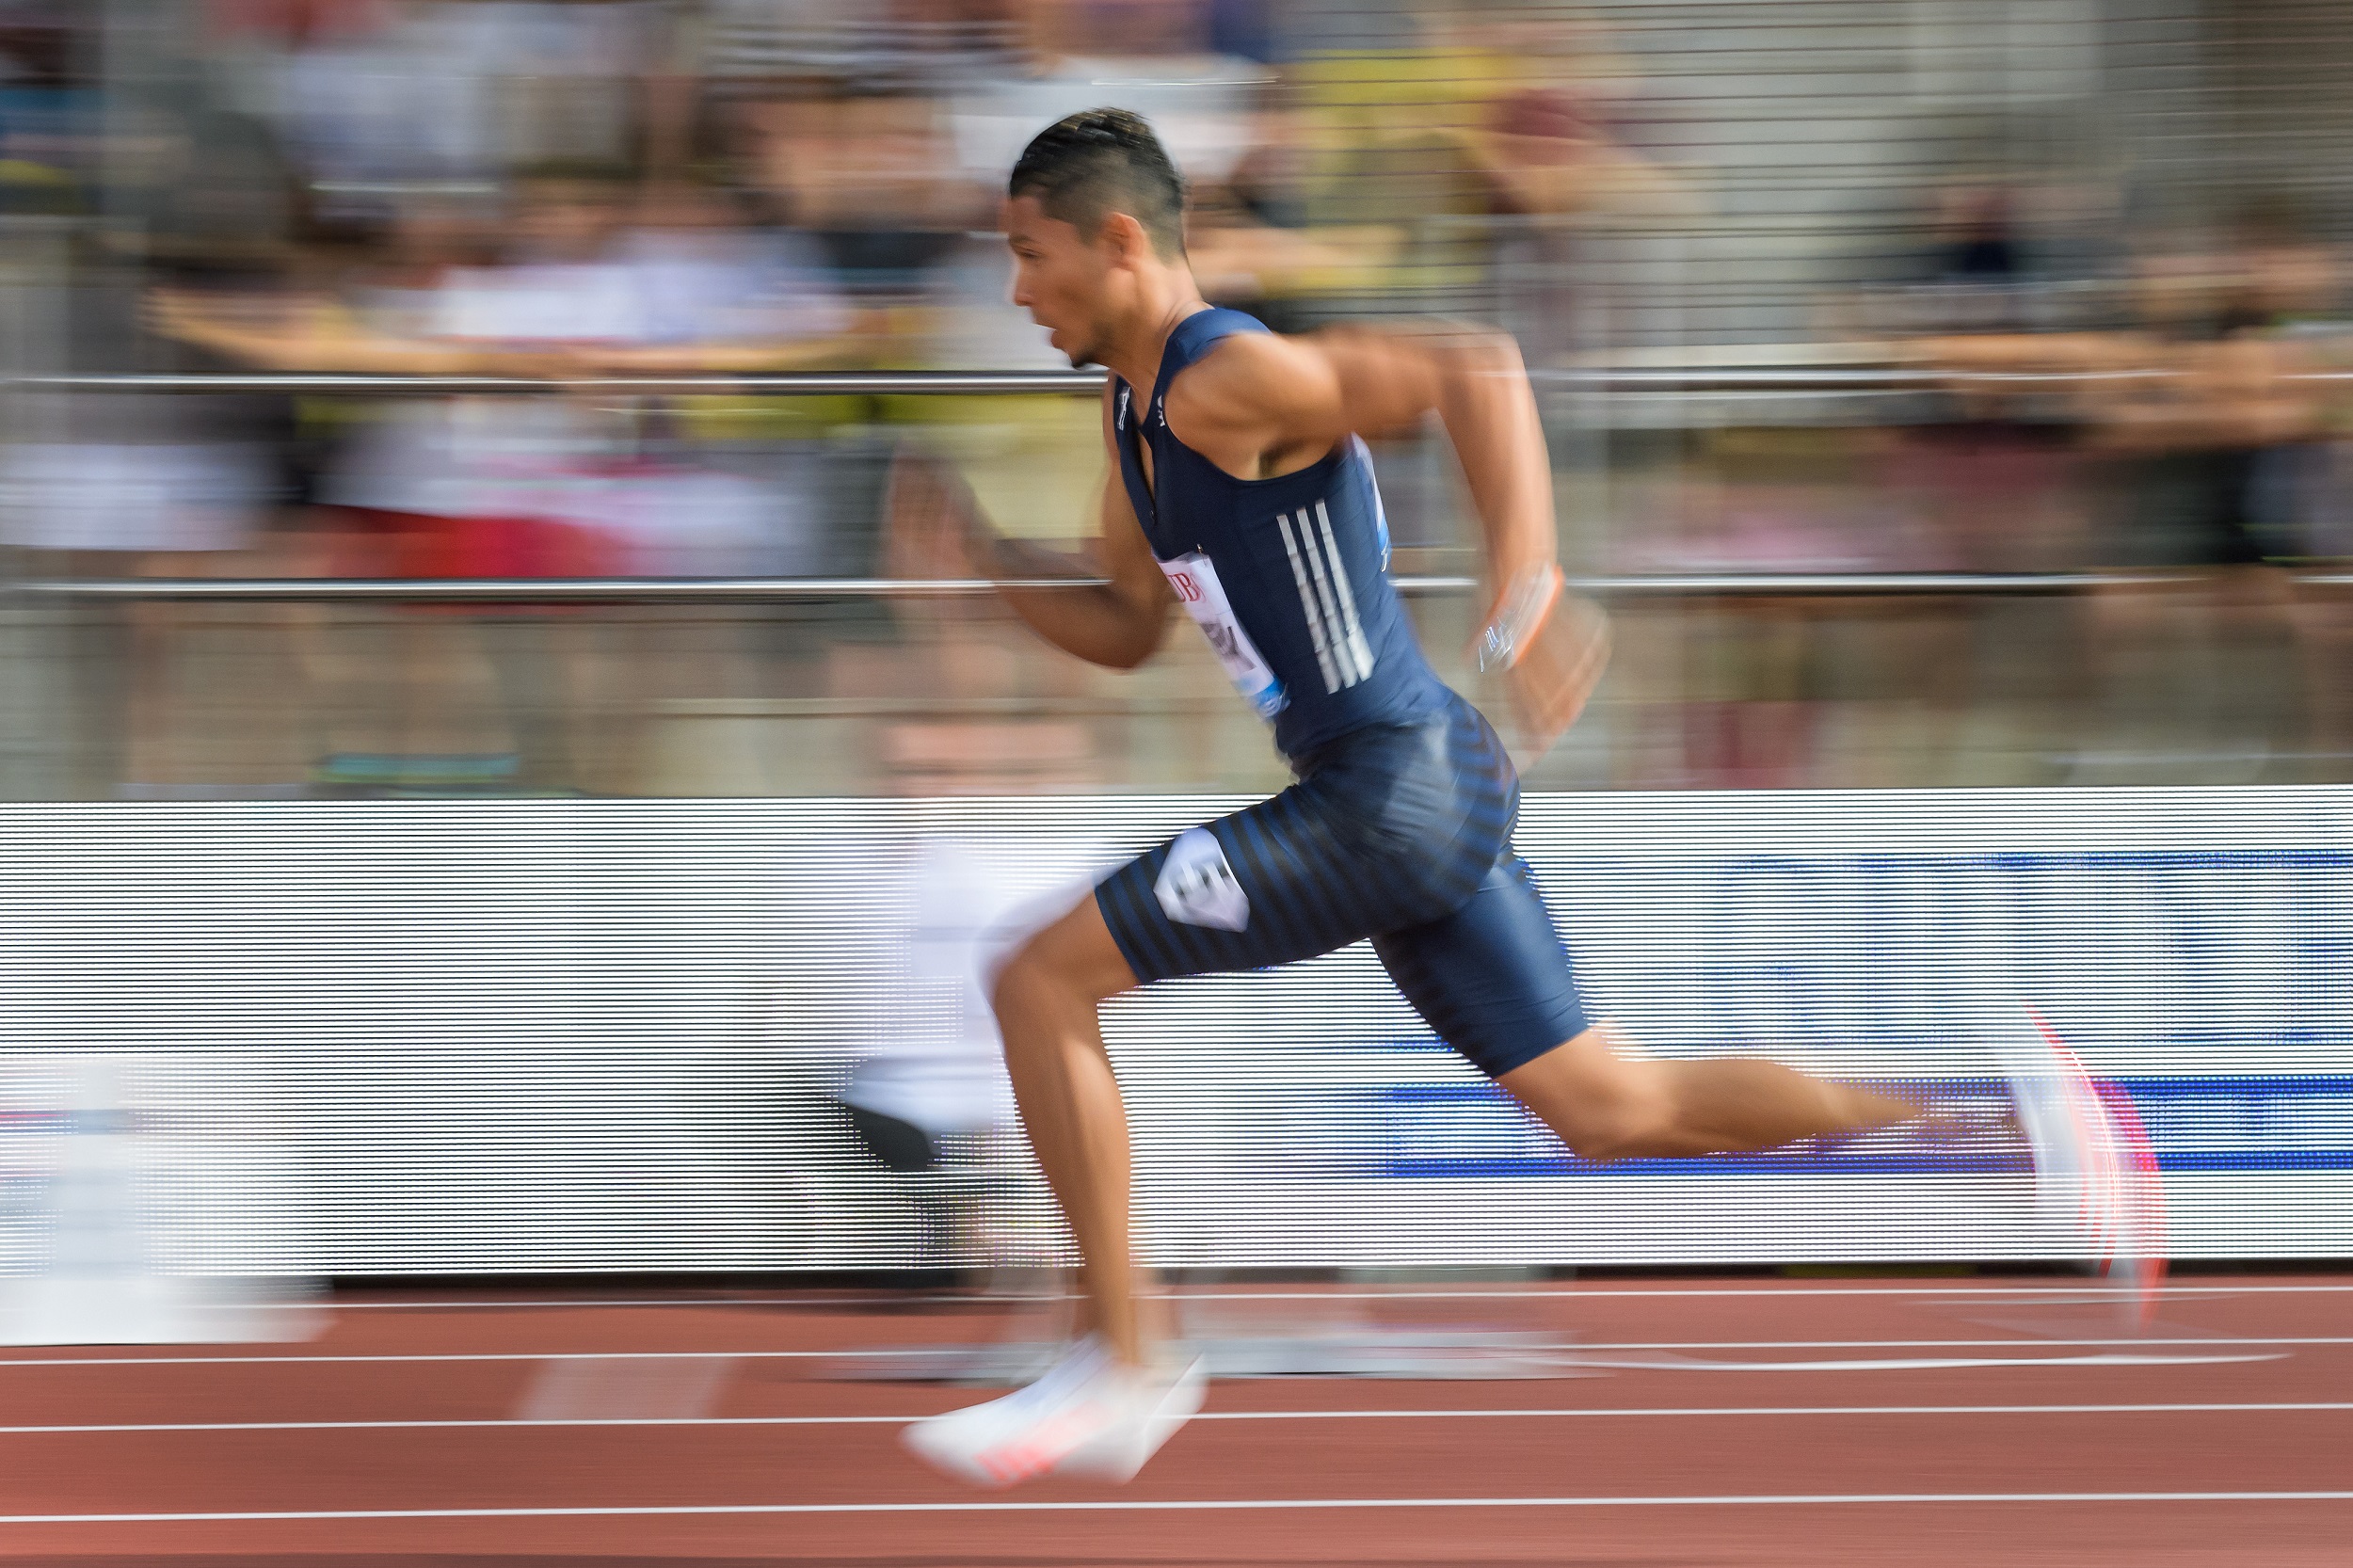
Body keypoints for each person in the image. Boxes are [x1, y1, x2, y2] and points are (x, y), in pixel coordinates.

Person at [892, 107, 2159, 1490]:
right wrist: (981, 560)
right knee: (1611, 1107)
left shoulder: (1221, 379)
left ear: (1117, 241)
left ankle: (1131, 1358)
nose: (1016, 290)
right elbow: (1127, 627)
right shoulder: (1135, 417)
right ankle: (1998, 1113)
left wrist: (1531, 583)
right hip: (1404, 792)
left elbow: (1472, 367)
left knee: (1036, 980)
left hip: (1388, 792)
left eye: (1030, 255)